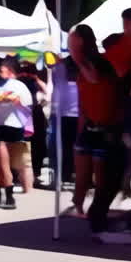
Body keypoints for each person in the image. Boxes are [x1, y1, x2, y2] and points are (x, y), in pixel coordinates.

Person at [67, 25, 126, 242]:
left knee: (102, 177)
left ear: (83, 41)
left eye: (73, 40)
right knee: (82, 172)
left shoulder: (98, 63)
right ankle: (79, 205)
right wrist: (80, 130)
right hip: (90, 125)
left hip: (107, 127)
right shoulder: (80, 66)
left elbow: (93, 78)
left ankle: (96, 211)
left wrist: (77, 56)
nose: (70, 44)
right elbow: (83, 101)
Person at [0, 58, 32, 210]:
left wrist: (5, 99)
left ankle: (8, 196)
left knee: (2, 164)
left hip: (7, 127)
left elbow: (22, 102)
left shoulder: (14, 85)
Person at [51, 55, 80, 192]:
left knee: (63, 148)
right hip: (78, 117)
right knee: (76, 148)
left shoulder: (60, 82)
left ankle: (63, 175)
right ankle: (75, 174)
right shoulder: (81, 83)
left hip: (62, 117)